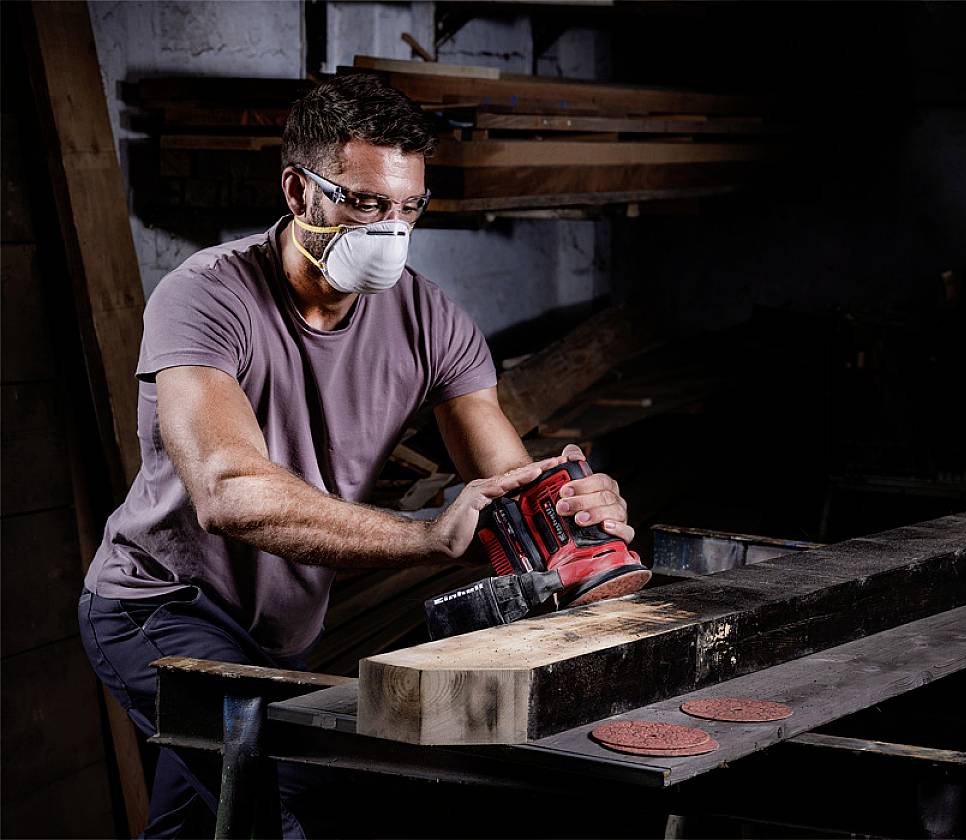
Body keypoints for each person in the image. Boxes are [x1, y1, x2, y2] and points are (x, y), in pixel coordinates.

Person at [77, 73, 634, 838]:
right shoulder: (207, 295)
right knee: (293, 798)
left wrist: (574, 518)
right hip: (162, 608)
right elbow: (228, 491)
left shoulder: (431, 318)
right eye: (364, 203)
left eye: (409, 208)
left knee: (203, 816)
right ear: (297, 190)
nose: (390, 232)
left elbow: (508, 485)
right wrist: (425, 535)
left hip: (286, 630)